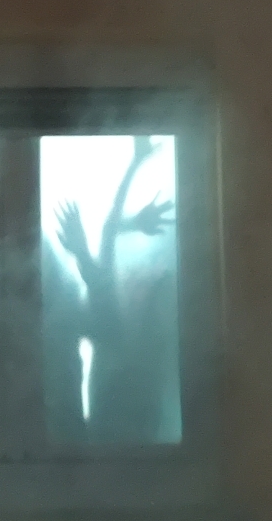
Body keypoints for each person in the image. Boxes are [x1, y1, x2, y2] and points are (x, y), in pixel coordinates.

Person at [48, 135, 177, 443]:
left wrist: (82, 252)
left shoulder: (131, 345)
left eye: (147, 284)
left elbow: (102, 276)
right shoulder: (132, 338)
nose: (136, 282)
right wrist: (135, 164)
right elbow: (107, 238)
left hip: (113, 445)